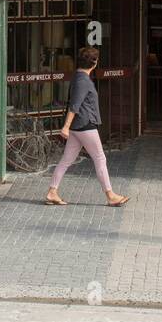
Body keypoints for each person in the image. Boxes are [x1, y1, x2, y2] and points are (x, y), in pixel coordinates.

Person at [46, 47, 129, 207]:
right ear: (94, 63)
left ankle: (52, 192)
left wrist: (69, 127)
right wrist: (65, 126)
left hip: (78, 127)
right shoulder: (83, 80)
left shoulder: (78, 76)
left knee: (66, 160)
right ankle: (110, 195)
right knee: (100, 158)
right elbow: (74, 105)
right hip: (85, 125)